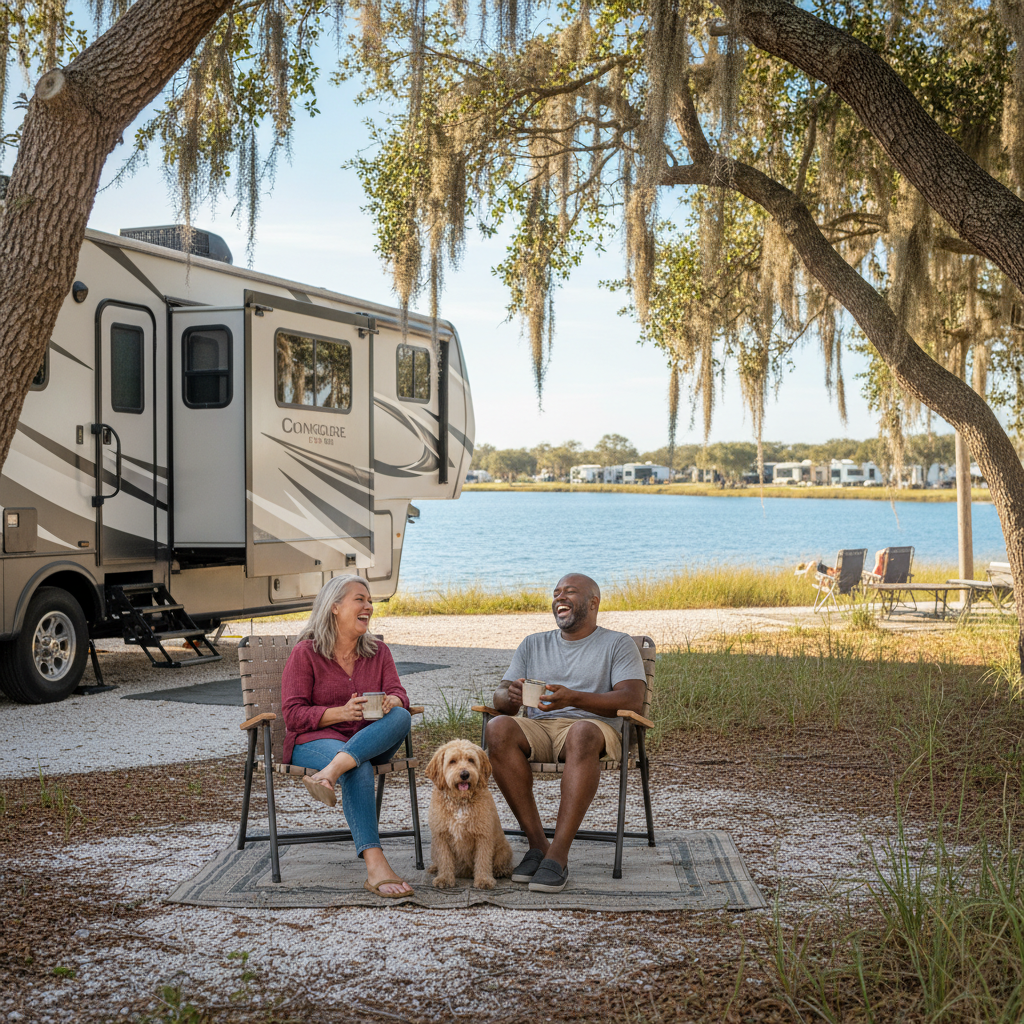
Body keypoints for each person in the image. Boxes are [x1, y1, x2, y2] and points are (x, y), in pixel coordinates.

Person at [485, 573, 646, 893]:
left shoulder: (618, 643)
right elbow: (501, 698)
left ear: (593, 603)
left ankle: (557, 856)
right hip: (540, 727)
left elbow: (632, 700)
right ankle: (538, 847)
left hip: (594, 728)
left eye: (570, 592)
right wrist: (510, 696)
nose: (560, 597)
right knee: (497, 727)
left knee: (581, 732)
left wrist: (573, 698)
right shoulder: (533, 643)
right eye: (556, 592)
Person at [281, 574, 414, 897]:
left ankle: (330, 773)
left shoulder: (378, 652)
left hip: (370, 739)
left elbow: (400, 695)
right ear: (335, 607)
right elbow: (293, 714)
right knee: (358, 764)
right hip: (314, 742)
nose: (368, 606)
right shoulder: (306, 653)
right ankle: (375, 865)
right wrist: (339, 713)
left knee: (402, 716)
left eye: (370, 601)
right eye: (360, 599)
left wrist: (392, 700)